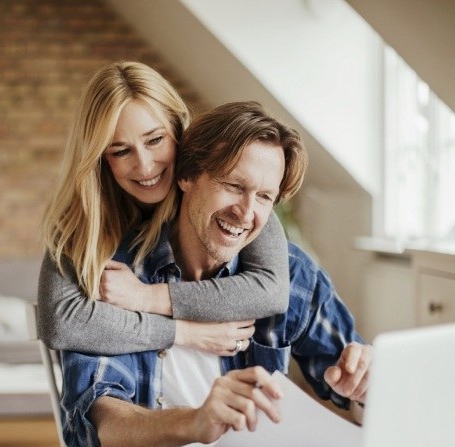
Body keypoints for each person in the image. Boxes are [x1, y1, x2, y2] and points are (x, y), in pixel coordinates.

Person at [61, 101, 371, 447]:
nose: (246, 213)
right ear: (186, 176)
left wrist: (365, 389)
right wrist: (194, 422)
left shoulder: (292, 273)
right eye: (234, 186)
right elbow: (101, 419)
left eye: (264, 197)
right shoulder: (117, 276)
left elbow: (354, 390)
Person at [38, 61, 292, 357]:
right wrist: (184, 332)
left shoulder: (221, 189)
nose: (145, 166)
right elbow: (61, 322)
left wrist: (146, 298)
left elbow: (271, 291)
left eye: (155, 140)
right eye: (121, 151)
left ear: (176, 128)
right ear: (100, 158)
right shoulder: (83, 218)